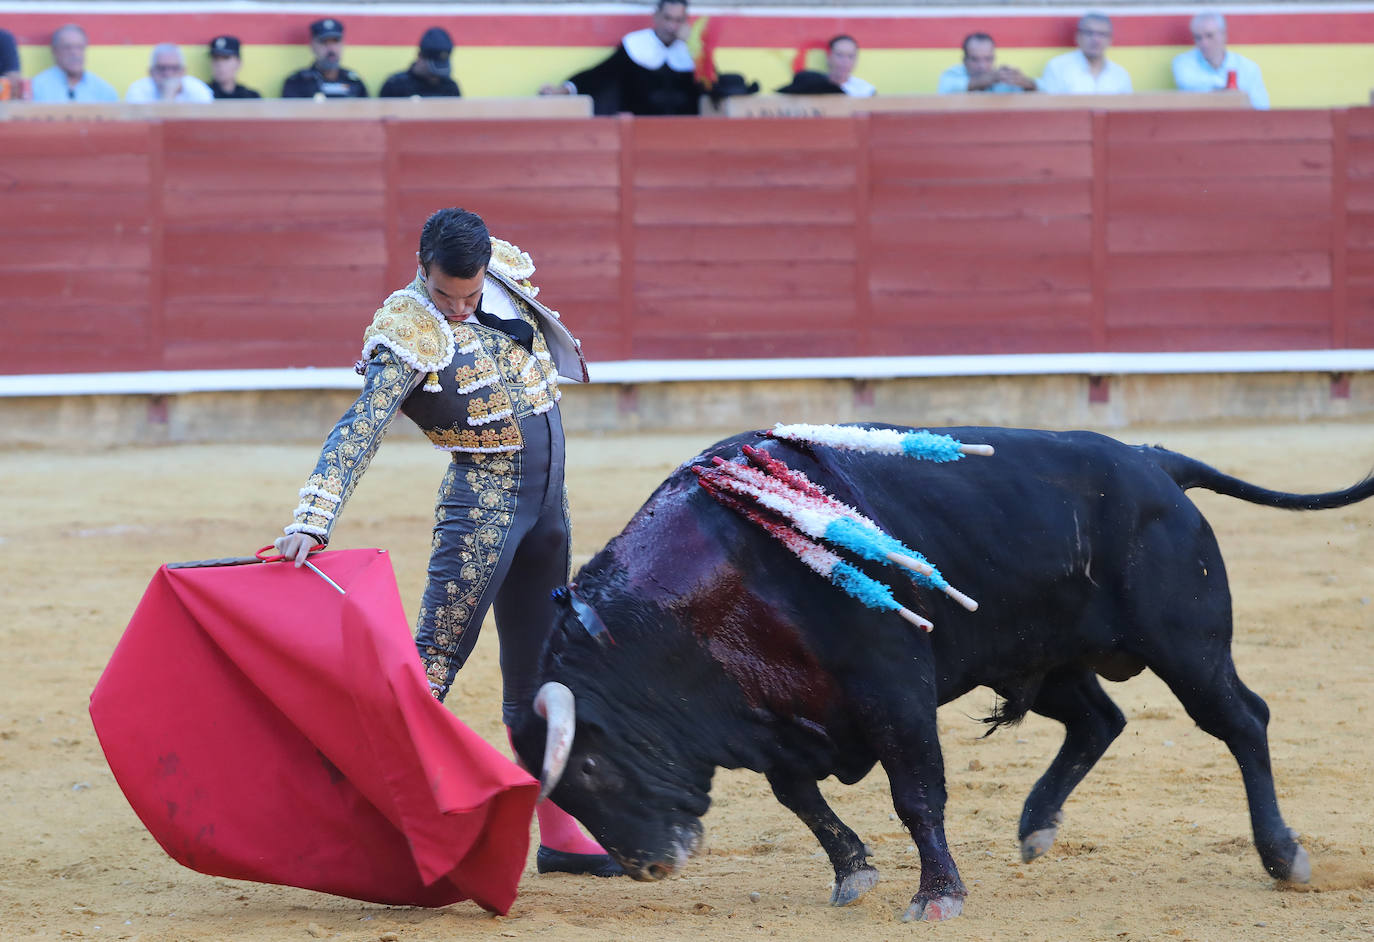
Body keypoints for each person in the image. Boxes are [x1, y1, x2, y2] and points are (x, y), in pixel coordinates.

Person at [270, 208, 620, 878]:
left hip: (549, 510)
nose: (459, 309)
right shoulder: (406, 328)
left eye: (468, 293)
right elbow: (359, 428)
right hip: (483, 510)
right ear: (421, 268)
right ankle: (373, 825)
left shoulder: (505, 278)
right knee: (431, 670)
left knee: (542, 670)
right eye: (444, 295)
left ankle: (560, 830)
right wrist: (313, 516)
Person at [539, 0, 700, 115]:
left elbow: (712, 86)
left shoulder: (691, 51)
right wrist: (564, 90)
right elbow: (600, 75)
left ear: (685, 21)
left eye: (678, 20)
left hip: (682, 131)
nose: (672, 27)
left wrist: (694, 47)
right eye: (667, 18)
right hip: (640, 129)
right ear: (656, 16)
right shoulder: (636, 45)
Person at [1172, 12, 1269, 110]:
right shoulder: (1183, 63)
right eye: (1198, 38)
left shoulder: (1248, 68)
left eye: (1209, 36)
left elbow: (1262, 108)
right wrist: (1231, 95)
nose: (1204, 43)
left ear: (1223, 35)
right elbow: (1188, 87)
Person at [1038, 13, 1133, 95]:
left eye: (1102, 34)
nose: (1096, 40)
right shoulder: (1057, 67)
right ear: (1078, 36)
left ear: (1110, 39)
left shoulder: (1120, 74)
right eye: (1089, 33)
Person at [30, 24, 119, 103]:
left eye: (79, 47)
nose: (74, 53)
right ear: (55, 51)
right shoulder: (36, 88)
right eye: (67, 47)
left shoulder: (104, 91)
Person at [282, 18, 368, 98]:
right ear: (312, 45)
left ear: (343, 44)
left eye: (335, 41)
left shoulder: (354, 82)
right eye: (324, 42)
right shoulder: (298, 82)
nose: (331, 48)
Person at [938, 33, 1037, 94]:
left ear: (994, 59)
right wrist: (988, 79)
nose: (982, 66)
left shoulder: (1002, 79)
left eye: (988, 59)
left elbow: (1042, 92)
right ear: (964, 60)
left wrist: (1027, 84)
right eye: (975, 59)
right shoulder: (952, 74)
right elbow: (949, 89)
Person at [379, 26, 461, 98]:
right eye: (432, 73)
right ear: (420, 56)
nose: (437, 76)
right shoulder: (396, 85)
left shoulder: (450, 88)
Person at [126, 43, 214, 103]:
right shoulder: (138, 90)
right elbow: (144, 128)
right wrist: (168, 96)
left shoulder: (198, 89)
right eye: (161, 68)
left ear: (183, 72)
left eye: (174, 68)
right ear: (151, 72)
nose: (168, 74)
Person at [207, 35, 261, 99]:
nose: (220, 64)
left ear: (238, 63)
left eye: (226, 58)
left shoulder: (251, 97)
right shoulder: (201, 94)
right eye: (215, 58)